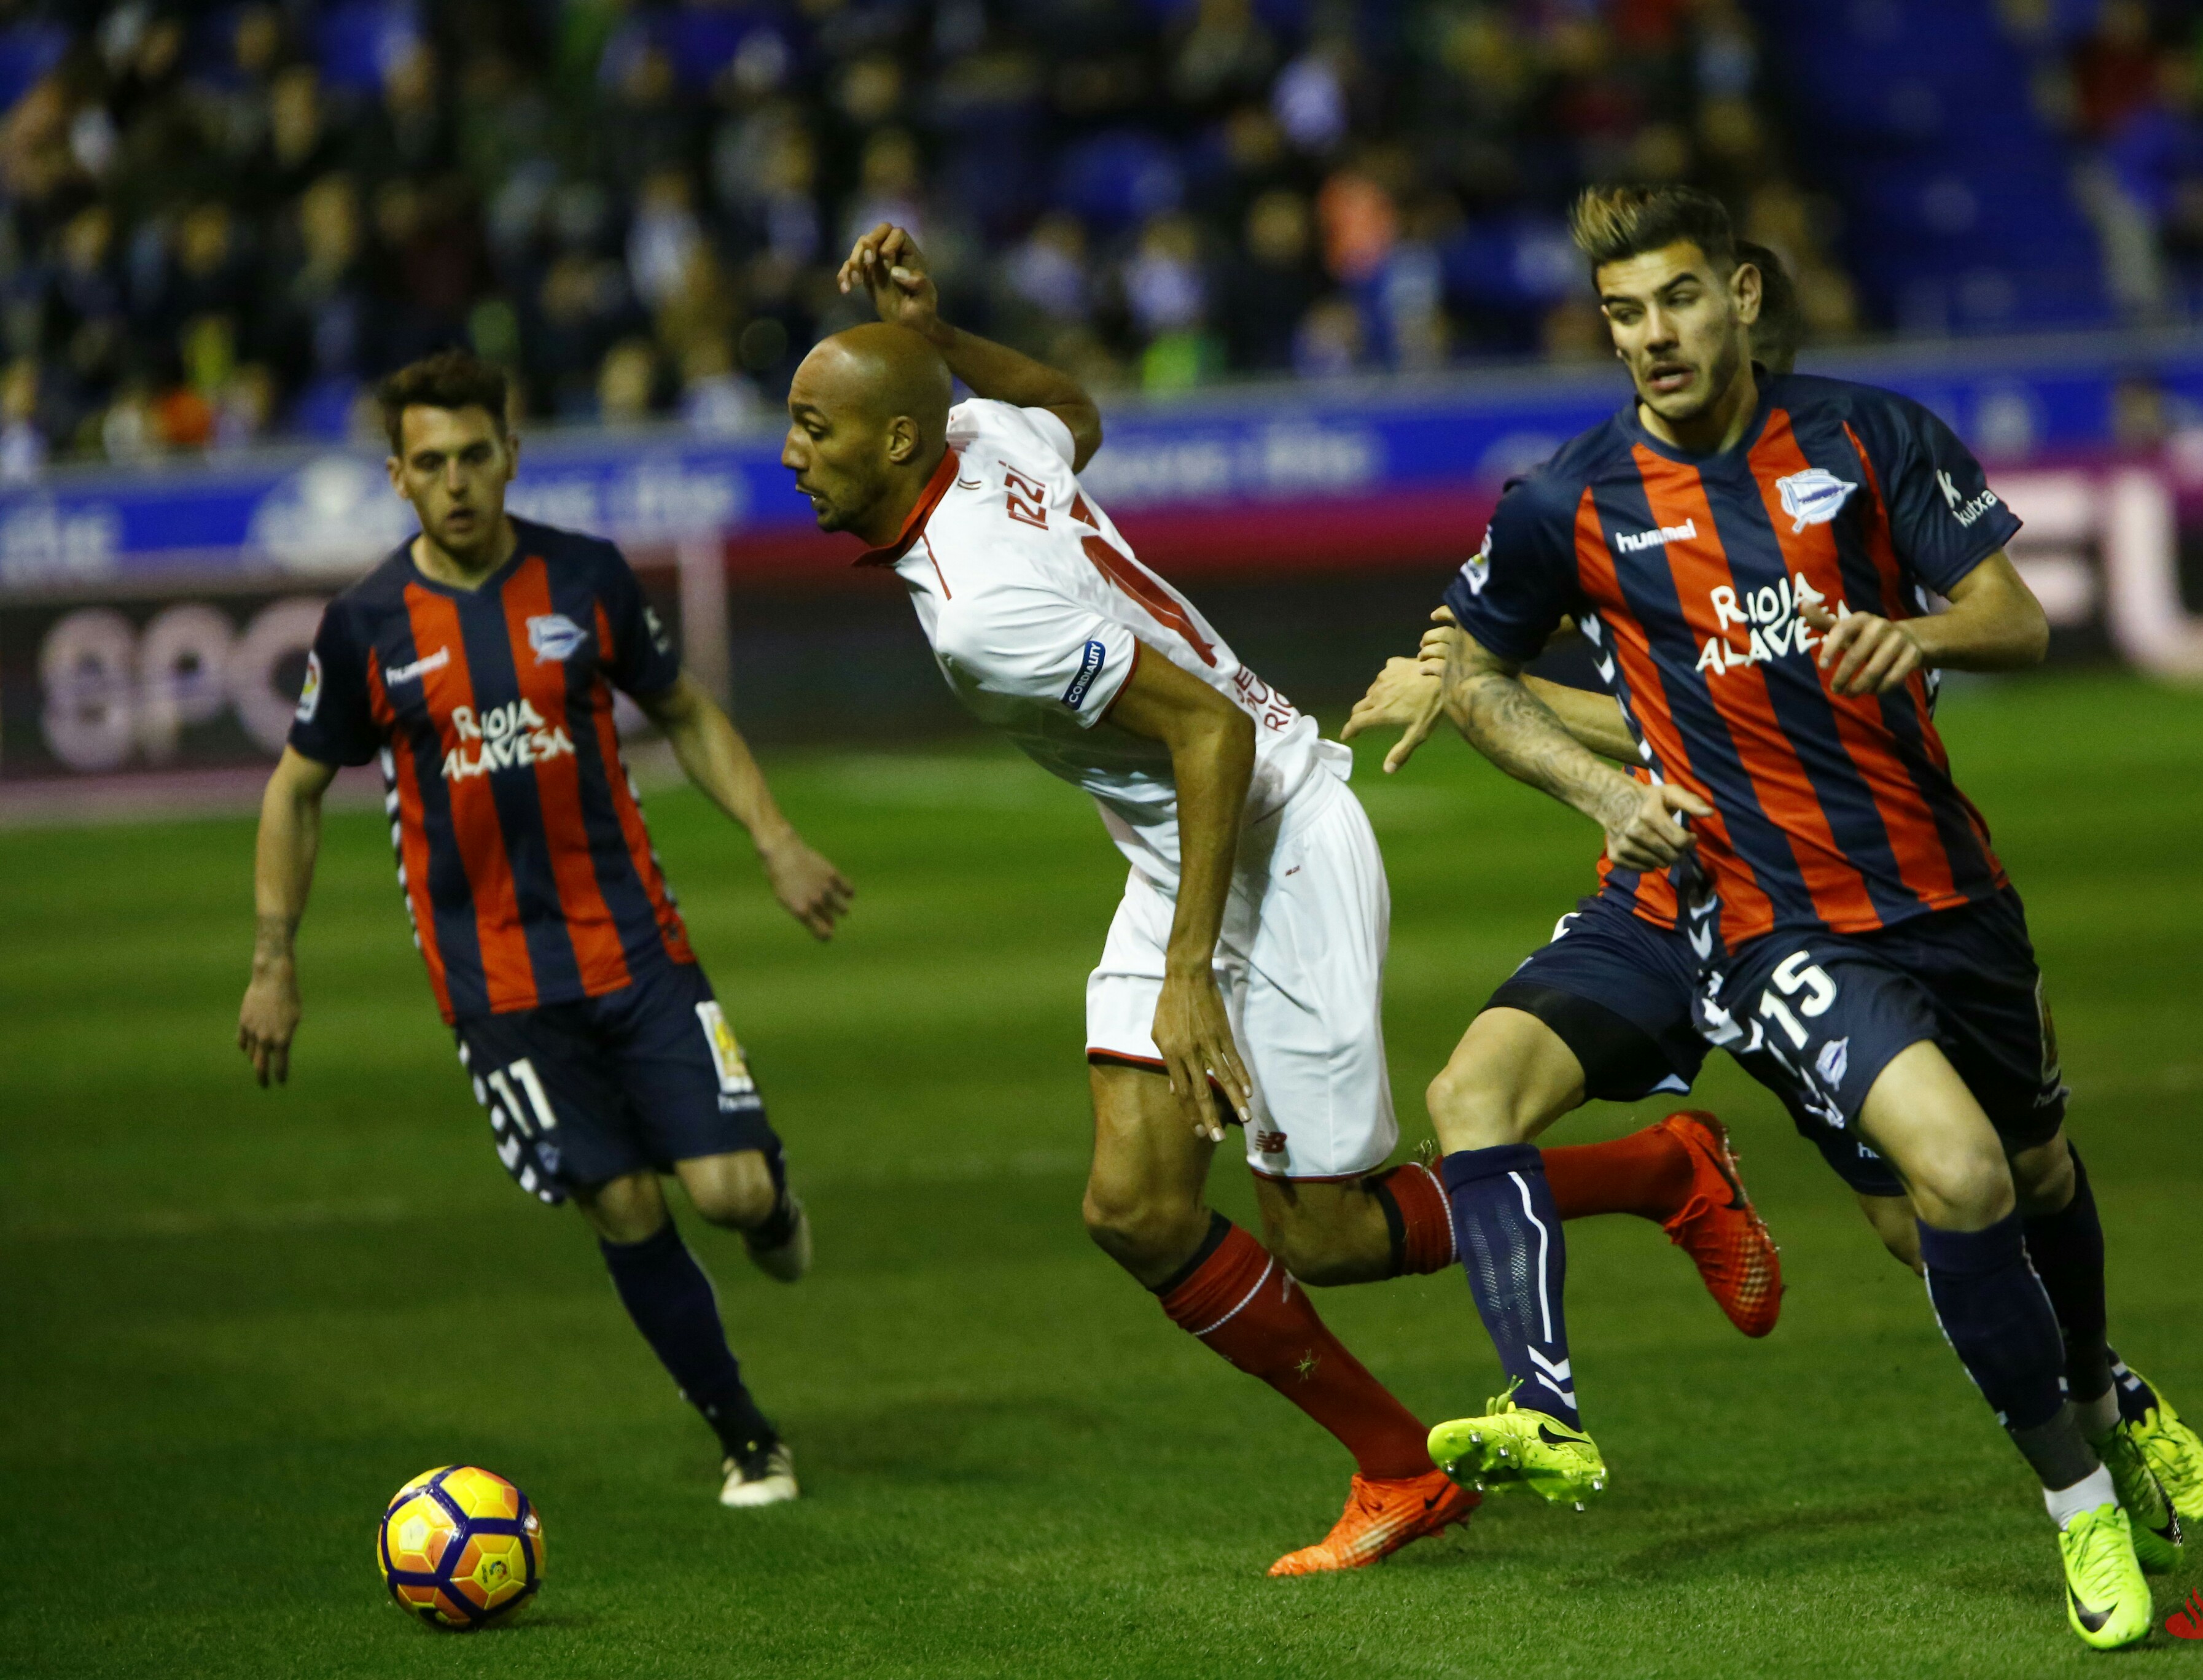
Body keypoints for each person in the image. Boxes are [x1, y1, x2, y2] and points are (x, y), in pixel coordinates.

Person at [781, 220, 1781, 1576]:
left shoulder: (980, 610)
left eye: (814, 425)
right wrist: (936, 339)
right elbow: (1071, 411)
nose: (792, 450)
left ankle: (1665, 1168)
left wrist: (1192, 969)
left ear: (898, 443)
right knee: (1135, 1209)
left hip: (1277, 841)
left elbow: (1213, 733)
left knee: (1331, 1238)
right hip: (1182, 850)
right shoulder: (983, 443)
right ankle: (1400, 1466)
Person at [1349, 182, 2189, 1650]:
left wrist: (1916, 631)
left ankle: (2109, 1392)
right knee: (1964, 1179)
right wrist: (1601, 800)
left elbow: (2019, 617)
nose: (1652, 336)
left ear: (1740, 293)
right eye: (1622, 314)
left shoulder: (1869, 437)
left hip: (1947, 889)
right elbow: (1472, 668)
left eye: (1677, 299)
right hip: (1769, 916)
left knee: (2034, 1176)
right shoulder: (1569, 500)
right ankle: (2081, 1510)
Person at [236, 349, 854, 1509]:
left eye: (476, 456)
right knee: (621, 1204)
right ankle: (745, 1433)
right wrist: (276, 962)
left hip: (638, 947)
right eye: (431, 463)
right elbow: (294, 790)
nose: (457, 481)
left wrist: (776, 840)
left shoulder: (587, 579)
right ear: (397, 477)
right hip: (496, 986)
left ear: (511, 455)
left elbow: (684, 712)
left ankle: (771, 1198)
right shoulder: (364, 623)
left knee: (726, 1197)